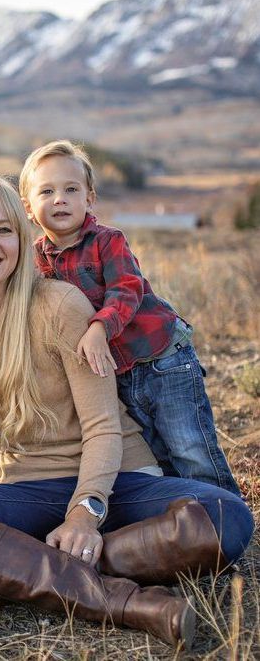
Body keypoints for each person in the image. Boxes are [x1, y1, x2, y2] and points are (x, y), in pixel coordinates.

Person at [0, 174, 253, 649]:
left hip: (115, 481)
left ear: (22, 239)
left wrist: (85, 515)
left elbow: (104, 427)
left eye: (4, 230)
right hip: (32, 490)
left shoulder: (59, 304)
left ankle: (11, 576)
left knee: (225, 516)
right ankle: (124, 601)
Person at [18, 140, 240, 495]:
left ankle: (224, 520)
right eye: (47, 191)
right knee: (159, 454)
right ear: (28, 208)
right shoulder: (36, 261)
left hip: (162, 359)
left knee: (190, 448)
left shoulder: (108, 241)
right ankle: (185, 525)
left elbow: (126, 289)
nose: (60, 198)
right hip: (119, 376)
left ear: (89, 199)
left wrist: (99, 327)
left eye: (71, 189)